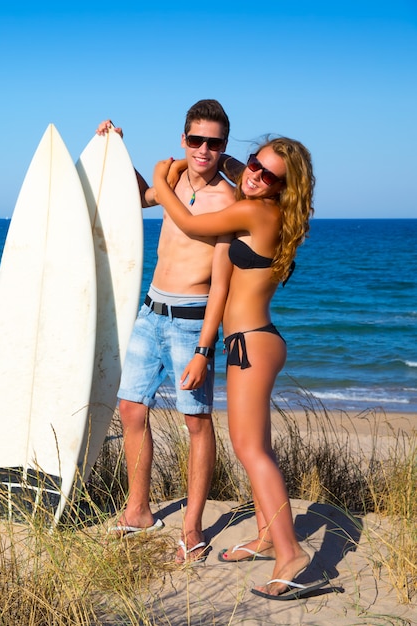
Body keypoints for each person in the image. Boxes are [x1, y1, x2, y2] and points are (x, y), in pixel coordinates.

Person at [153, 138, 324, 598]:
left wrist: (157, 180)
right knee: (257, 446)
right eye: (253, 164)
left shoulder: (253, 213)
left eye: (268, 175)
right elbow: (241, 172)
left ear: (283, 187)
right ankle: (269, 537)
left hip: (250, 345)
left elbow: (188, 221)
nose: (253, 175)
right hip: (256, 341)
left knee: (251, 451)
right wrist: (237, 165)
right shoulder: (273, 212)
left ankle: (291, 553)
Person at [98, 99, 236, 564]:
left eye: (213, 143)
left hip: (193, 320)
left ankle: (193, 529)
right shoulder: (172, 179)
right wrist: (118, 150)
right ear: (184, 139)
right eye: (196, 140)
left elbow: (221, 284)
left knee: (196, 422)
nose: (203, 149)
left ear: (223, 147)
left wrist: (204, 348)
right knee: (131, 408)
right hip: (151, 309)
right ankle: (138, 509)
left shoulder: (229, 200)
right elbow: (140, 197)